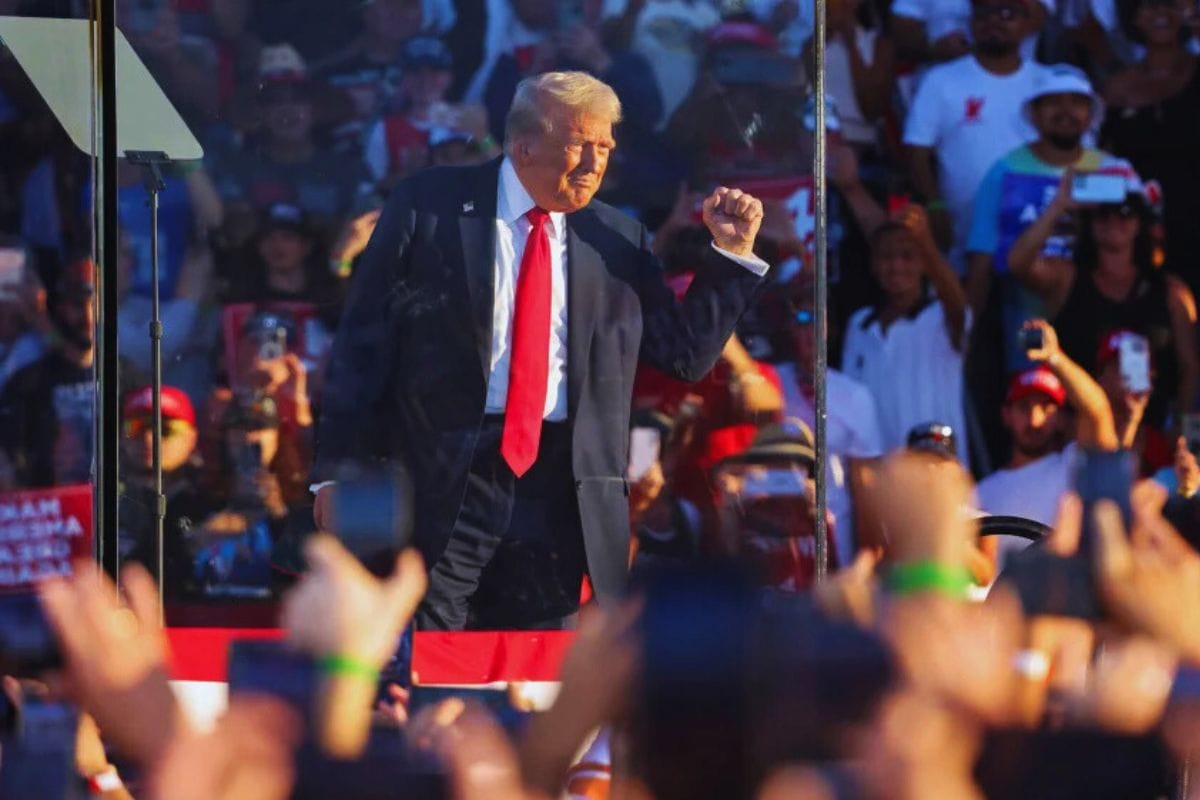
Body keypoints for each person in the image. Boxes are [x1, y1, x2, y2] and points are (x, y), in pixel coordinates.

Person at [313, 71, 769, 630]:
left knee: (533, 665)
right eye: (580, 143)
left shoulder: (617, 238)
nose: (595, 162)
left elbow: (683, 354)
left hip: (563, 485)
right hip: (446, 475)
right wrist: (334, 474)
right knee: (433, 656)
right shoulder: (428, 206)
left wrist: (730, 255)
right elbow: (364, 346)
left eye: (605, 147)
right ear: (523, 144)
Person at [1006, 178, 1199, 429]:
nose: (1114, 219)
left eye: (1126, 211)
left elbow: (1190, 369)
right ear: (1089, 222)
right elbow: (1018, 264)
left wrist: (1183, 433)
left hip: (1152, 436)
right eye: (1103, 212)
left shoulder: (1172, 291)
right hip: (1080, 435)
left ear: (1141, 222)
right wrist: (1059, 205)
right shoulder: (1066, 278)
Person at [903, 0, 1050, 270]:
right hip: (962, 237)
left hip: (1033, 240)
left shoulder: (1047, 83)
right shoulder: (940, 79)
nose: (994, 21)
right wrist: (934, 205)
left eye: (1006, 12)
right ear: (971, 21)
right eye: (984, 13)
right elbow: (917, 151)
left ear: (1026, 23)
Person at [975, 320, 1118, 569]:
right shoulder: (979, 493)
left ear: (1062, 419)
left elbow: (1098, 412)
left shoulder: (1075, 465)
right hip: (1003, 605)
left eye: (1046, 407)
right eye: (1024, 407)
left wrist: (1054, 357)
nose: (1035, 419)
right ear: (1006, 415)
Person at [841, 205, 972, 463]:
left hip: (941, 478)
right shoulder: (859, 325)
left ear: (924, 263)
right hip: (878, 482)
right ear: (873, 264)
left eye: (908, 256)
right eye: (887, 256)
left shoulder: (941, 316)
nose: (897, 265)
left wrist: (925, 241)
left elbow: (959, 305)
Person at [767, 295, 884, 564]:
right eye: (802, 320)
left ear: (831, 329)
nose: (810, 330)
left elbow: (865, 487)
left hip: (835, 544)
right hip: (779, 541)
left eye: (818, 319)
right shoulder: (769, 382)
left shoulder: (855, 396)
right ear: (789, 328)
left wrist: (868, 562)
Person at [1101, 0, 1200, 296]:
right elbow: (1102, 161)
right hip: (1138, 231)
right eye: (1148, 6)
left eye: (1170, 5)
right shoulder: (1114, 89)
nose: (1160, 14)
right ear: (1133, 18)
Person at [0, 258, 96, 488]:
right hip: (49, 506)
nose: (88, 314)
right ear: (61, 308)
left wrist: (39, 318)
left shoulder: (122, 372)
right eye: (77, 304)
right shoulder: (28, 379)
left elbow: (80, 358)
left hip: (109, 512)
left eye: (95, 303)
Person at [118, 385, 212, 599]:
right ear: (121, 438)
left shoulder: (208, 504)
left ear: (191, 438)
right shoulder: (103, 504)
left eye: (165, 429)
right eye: (135, 427)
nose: (149, 439)